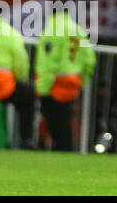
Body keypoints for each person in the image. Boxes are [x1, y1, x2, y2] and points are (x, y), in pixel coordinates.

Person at [34, 10, 97, 152]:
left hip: (55, 82)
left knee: (54, 120)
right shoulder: (77, 29)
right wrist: (82, 80)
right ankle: (65, 149)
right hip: (73, 81)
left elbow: (49, 60)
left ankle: (63, 150)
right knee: (64, 118)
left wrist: (42, 87)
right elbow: (89, 59)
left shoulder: (53, 28)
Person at [0, 15, 29, 150]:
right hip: (3, 86)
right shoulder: (10, 33)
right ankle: (26, 140)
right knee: (28, 97)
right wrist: (20, 78)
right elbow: (21, 63)